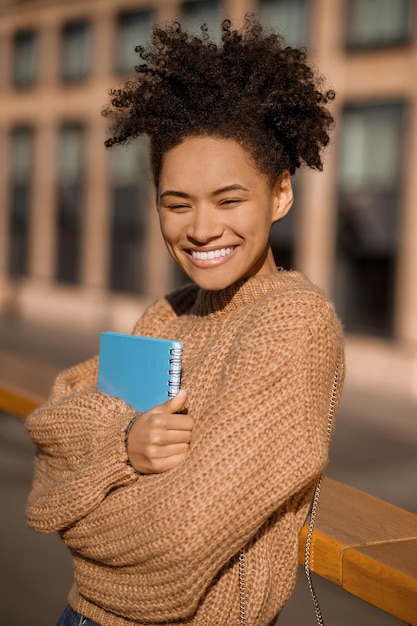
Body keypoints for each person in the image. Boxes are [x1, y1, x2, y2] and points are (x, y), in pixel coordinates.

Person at [26, 15, 345, 626]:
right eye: (178, 204)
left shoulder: (293, 320)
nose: (200, 229)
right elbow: (52, 428)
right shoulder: (166, 311)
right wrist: (125, 449)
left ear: (280, 194)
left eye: (229, 200)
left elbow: (178, 537)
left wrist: (82, 513)